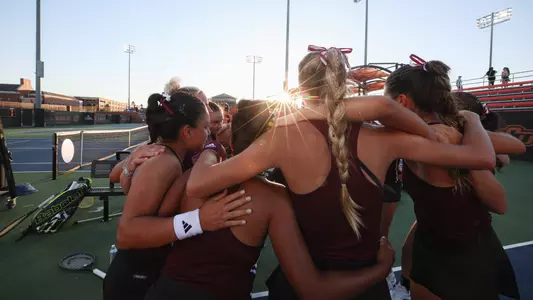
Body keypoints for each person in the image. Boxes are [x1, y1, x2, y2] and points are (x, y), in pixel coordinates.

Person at [185, 46, 496, 299]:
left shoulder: (281, 137)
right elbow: (482, 157)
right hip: (367, 285)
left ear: (301, 86)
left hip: (305, 284)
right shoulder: (384, 138)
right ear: (346, 83)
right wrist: (470, 119)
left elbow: (198, 185)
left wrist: (210, 148)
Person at [144, 100, 396, 300]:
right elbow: (314, 290)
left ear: (232, 140)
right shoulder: (274, 197)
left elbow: (151, 225)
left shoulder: (192, 177)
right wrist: (380, 270)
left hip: (163, 291)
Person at [383, 61, 523, 300]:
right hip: (446, 247)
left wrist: (471, 121)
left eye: (387, 101)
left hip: (458, 258)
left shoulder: (435, 137)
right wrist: (470, 122)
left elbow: (500, 197)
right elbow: (514, 146)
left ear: (402, 102)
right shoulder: (451, 132)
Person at [103, 92, 251, 300]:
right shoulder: (164, 162)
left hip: (149, 269)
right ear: (188, 132)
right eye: (206, 127)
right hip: (136, 277)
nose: (209, 133)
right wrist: (199, 220)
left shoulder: (173, 157)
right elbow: (126, 234)